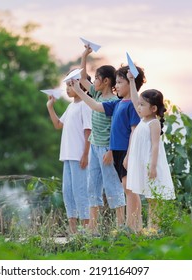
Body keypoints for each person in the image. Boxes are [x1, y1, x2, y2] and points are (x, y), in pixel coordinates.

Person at [71, 64, 146, 233]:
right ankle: (128, 226)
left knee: (126, 188)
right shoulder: (118, 104)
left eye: (120, 82)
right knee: (124, 188)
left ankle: (131, 226)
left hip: (121, 152)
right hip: (113, 149)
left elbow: (134, 131)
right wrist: (79, 90)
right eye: (117, 82)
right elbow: (96, 106)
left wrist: (125, 155)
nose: (116, 85)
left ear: (130, 83)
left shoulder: (131, 106)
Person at [78, 45, 126, 235]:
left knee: (112, 185)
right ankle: (93, 227)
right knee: (93, 186)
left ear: (106, 81)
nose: (94, 81)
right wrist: (85, 55)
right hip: (95, 146)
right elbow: (82, 79)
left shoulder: (113, 102)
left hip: (107, 148)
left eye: (97, 78)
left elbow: (117, 130)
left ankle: (121, 225)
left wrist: (112, 151)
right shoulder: (97, 93)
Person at [124, 70, 176, 232]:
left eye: (142, 105)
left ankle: (155, 228)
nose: (138, 107)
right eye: (139, 105)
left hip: (151, 165)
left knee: (154, 198)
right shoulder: (142, 120)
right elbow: (134, 99)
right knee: (147, 196)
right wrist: (132, 81)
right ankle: (149, 228)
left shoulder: (154, 123)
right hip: (141, 164)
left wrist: (152, 166)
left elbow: (155, 146)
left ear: (153, 108)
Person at [46, 74, 92, 235]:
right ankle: (73, 230)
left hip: (79, 156)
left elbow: (88, 131)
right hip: (67, 156)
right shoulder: (71, 106)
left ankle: (85, 230)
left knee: (80, 192)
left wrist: (85, 154)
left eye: (71, 85)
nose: (67, 89)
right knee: (68, 192)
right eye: (67, 85)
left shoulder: (85, 105)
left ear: (82, 86)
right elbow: (58, 125)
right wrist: (50, 107)